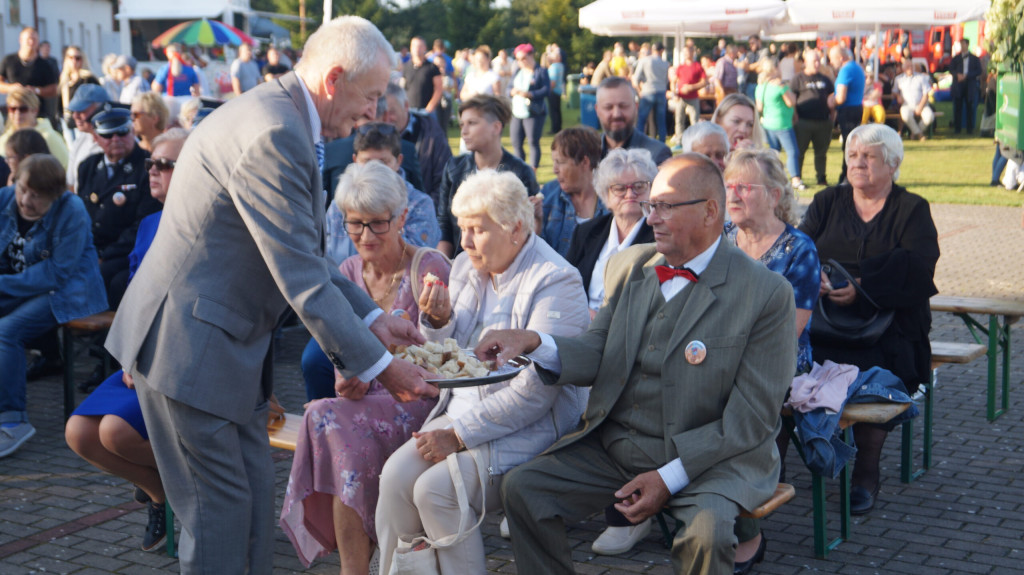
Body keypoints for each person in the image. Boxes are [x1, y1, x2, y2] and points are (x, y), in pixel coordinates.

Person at [105, 16, 439, 574]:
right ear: (335, 79)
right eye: (371, 96)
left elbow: (303, 255)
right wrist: (384, 366)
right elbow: (301, 276)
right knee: (219, 521)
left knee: (249, 510)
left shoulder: (280, 114)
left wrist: (375, 318)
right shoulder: (274, 130)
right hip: (192, 351)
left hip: (221, 351)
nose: (374, 113)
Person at [479, 153, 797, 575]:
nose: (653, 219)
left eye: (666, 206)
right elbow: (599, 350)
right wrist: (535, 342)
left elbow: (751, 420)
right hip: (617, 447)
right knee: (523, 489)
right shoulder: (632, 267)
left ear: (710, 211)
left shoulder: (766, 293)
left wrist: (669, 477)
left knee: (708, 534)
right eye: (652, 206)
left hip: (708, 462)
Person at [376, 169, 591, 575]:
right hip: (456, 415)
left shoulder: (556, 279)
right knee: (394, 478)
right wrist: (436, 320)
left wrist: (457, 436)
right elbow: (446, 355)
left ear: (514, 228)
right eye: (461, 228)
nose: (465, 242)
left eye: (476, 229)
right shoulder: (464, 267)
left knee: (437, 492)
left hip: (532, 427)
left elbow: (537, 393)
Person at [281, 162, 451, 573]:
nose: (365, 236)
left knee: (325, 418)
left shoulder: (427, 267)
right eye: (355, 225)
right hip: (364, 407)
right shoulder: (346, 273)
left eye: (378, 224)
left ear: (403, 218)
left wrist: (439, 317)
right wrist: (347, 378)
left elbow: (447, 352)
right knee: (334, 424)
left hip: (422, 399)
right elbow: (338, 356)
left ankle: (352, 569)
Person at [798, 123, 939, 515]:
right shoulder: (827, 201)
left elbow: (921, 267)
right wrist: (818, 275)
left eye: (868, 156)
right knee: (795, 362)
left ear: (892, 164)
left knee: (879, 368)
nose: (858, 163)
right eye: (853, 155)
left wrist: (863, 284)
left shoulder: (912, 209)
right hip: (826, 323)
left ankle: (866, 469)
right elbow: (798, 246)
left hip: (888, 326)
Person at [64, 127, 188, 551]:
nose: (151, 170)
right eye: (152, 161)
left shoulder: (211, 227)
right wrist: (128, 358)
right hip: (139, 359)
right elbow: (134, 301)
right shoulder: (150, 224)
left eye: (164, 164)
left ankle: (199, 489)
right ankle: (160, 493)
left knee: (115, 433)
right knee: (79, 433)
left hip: (181, 364)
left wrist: (146, 359)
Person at [723, 148, 819, 571]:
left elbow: (790, 330)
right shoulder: (722, 238)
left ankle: (747, 530)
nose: (733, 194)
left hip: (777, 363)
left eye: (745, 186)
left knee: (732, 412)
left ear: (776, 194)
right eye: (728, 185)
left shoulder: (799, 249)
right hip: (717, 357)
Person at [0, 154, 108, 459]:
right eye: (22, 189)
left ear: (56, 195)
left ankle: (13, 421)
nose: (25, 200)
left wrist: (3, 284)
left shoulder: (71, 210)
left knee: (6, 331)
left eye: (37, 196)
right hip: (20, 285)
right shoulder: (5, 198)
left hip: (70, 292)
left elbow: (57, 273)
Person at [323, 123, 441, 283]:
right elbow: (326, 255)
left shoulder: (419, 205)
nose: (376, 170)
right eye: (368, 162)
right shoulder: (340, 204)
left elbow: (415, 263)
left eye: (383, 162)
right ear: (354, 160)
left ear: (398, 161)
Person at [77, 107, 160, 311]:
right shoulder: (88, 166)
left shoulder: (147, 166)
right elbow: (80, 218)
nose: (115, 139)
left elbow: (143, 224)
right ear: (96, 137)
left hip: (127, 251)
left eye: (122, 132)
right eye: (107, 134)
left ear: (132, 131)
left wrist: (105, 254)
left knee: (110, 278)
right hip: (92, 250)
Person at [436, 94, 538, 258]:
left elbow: (528, 231)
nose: (464, 131)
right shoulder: (454, 169)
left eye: (472, 123)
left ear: (496, 128)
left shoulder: (520, 173)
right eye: (462, 124)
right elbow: (444, 224)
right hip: (460, 262)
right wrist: (442, 265)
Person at [566, 147, 657, 323]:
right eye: (620, 188)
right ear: (605, 193)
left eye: (639, 186)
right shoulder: (587, 231)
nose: (630, 194)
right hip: (579, 326)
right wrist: (583, 313)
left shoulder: (658, 237)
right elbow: (565, 285)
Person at [379, 82, 452, 205]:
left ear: (406, 106)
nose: (387, 119)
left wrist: (422, 211)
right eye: (382, 113)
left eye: (392, 112)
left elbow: (444, 182)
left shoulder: (431, 134)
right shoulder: (373, 136)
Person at [540, 126, 606, 257]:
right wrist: (536, 225)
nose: (555, 169)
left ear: (584, 162)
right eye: (554, 162)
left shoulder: (610, 200)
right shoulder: (548, 194)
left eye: (560, 162)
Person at [596, 77, 672, 164]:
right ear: (597, 110)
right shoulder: (585, 154)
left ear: (636, 108)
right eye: (608, 107)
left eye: (623, 106)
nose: (616, 114)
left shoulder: (656, 155)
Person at [755, 59, 802, 189]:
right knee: (792, 151)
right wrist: (788, 91)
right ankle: (795, 178)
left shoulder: (760, 87)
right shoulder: (780, 86)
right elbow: (791, 102)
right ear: (774, 69)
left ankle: (772, 178)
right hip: (782, 124)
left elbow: (759, 107)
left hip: (768, 124)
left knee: (774, 153)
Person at [791, 49, 835, 187]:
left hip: (823, 121)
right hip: (803, 121)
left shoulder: (825, 79)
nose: (817, 64)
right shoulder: (798, 79)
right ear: (806, 63)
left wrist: (832, 118)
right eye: (814, 61)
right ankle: (797, 177)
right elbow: (792, 101)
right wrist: (794, 118)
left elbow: (832, 98)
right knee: (800, 152)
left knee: (821, 152)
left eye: (818, 61)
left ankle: (821, 177)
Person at [0, 87, 69, 169]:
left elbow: (65, 166)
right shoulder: (4, 139)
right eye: (12, 109)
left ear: (35, 111)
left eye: (23, 109)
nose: (17, 113)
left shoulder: (49, 137)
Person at [509, 43, 549, 170]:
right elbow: (508, 88)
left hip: (533, 112)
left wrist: (530, 94)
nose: (521, 62)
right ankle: (520, 169)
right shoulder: (517, 71)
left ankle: (533, 170)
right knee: (516, 142)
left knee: (533, 141)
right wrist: (512, 92)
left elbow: (546, 90)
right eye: (518, 59)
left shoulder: (540, 71)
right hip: (517, 111)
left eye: (523, 58)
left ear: (531, 56)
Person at [829, 45, 864, 183]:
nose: (831, 62)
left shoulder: (846, 70)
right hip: (856, 108)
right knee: (851, 144)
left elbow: (841, 97)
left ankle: (846, 176)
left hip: (848, 111)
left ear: (841, 58)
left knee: (848, 146)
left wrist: (831, 102)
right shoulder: (856, 67)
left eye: (832, 59)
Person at [63, 85, 108, 192]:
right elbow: (71, 186)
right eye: (74, 111)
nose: (75, 116)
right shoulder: (80, 141)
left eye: (82, 110)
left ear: (100, 109)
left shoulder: (119, 142)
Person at [0, 28, 58, 106]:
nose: (31, 42)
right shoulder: (8, 60)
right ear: (20, 40)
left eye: (34, 39)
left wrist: (37, 90)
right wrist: (11, 88)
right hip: (14, 108)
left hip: (36, 110)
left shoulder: (44, 64)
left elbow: (54, 89)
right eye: (28, 39)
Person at [633, 42, 670, 143]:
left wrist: (639, 91)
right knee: (661, 121)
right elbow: (666, 80)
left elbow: (636, 78)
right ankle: (662, 143)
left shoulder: (645, 61)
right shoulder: (665, 63)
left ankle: (638, 142)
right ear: (662, 51)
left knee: (642, 119)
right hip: (661, 92)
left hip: (648, 91)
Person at [670, 46, 707, 144]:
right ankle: (679, 141)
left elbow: (704, 82)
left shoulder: (697, 66)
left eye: (688, 52)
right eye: (684, 52)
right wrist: (675, 92)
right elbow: (673, 81)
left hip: (693, 97)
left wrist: (691, 87)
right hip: (681, 97)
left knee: (694, 120)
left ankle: (695, 141)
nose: (686, 54)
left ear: (692, 53)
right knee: (679, 120)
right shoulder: (680, 67)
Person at [57, 45, 96, 134]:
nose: (74, 61)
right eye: (70, 58)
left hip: (84, 120)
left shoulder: (88, 78)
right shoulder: (65, 79)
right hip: (68, 120)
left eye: (77, 58)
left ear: (83, 60)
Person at [893, 59, 934, 142]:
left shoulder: (921, 77)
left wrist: (920, 106)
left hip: (921, 104)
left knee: (929, 117)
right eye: (908, 67)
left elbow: (926, 94)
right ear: (903, 69)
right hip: (907, 105)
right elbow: (894, 91)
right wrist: (898, 96)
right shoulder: (898, 79)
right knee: (905, 115)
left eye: (911, 66)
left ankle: (914, 132)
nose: (910, 68)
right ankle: (919, 134)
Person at [403, 37, 443, 116]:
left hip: (426, 111)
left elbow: (439, 88)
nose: (417, 49)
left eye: (420, 46)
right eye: (414, 46)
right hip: (409, 110)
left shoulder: (432, 67)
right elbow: (404, 87)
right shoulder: (406, 67)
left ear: (425, 48)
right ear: (411, 48)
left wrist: (430, 106)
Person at [950, 39, 982, 135]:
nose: (962, 46)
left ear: (967, 45)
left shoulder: (975, 59)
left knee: (970, 107)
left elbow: (979, 71)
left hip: (970, 85)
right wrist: (957, 75)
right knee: (958, 107)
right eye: (961, 44)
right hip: (959, 85)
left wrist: (967, 75)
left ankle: (969, 128)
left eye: (963, 44)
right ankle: (957, 128)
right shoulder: (956, 58)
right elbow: (951, 69)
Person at [547, 47, 565, 135]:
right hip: (559, 90)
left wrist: (548, 91)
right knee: (557, 110)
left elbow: (552, 82)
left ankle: (555, 129)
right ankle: (558, 127)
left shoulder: (554, 66)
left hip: (553, 91)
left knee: (553, 111)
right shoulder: (561, 65)